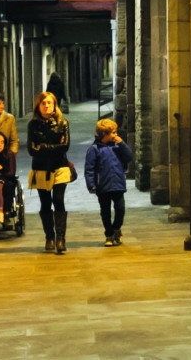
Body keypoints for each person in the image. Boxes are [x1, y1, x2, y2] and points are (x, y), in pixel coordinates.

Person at [27, 91, 72, 254]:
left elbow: (65, 147)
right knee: (45, 203)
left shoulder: (63, 123)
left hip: (60, 167)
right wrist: (54, 147)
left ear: (55, 105)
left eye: (49, 103)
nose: (46, 106)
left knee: (58, 200)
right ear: (38, 106)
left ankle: (61, 239)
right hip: (40, 168)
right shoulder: (33, 125)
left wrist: (44, 147)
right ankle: (49, 237)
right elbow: (32, 150)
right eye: (43, 103)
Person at [84, 119, 133, 247]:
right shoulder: (94, 149)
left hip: (118, 184)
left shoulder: (118, 146)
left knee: (120, 209)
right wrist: (91, 184)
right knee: (105, 211)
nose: (116, 135)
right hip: (103, 186)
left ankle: (116, 228)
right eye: (113, 133)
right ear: (104, 134)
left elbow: (129, 157)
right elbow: (89, 169)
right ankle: (109, 234)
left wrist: (122, 144)